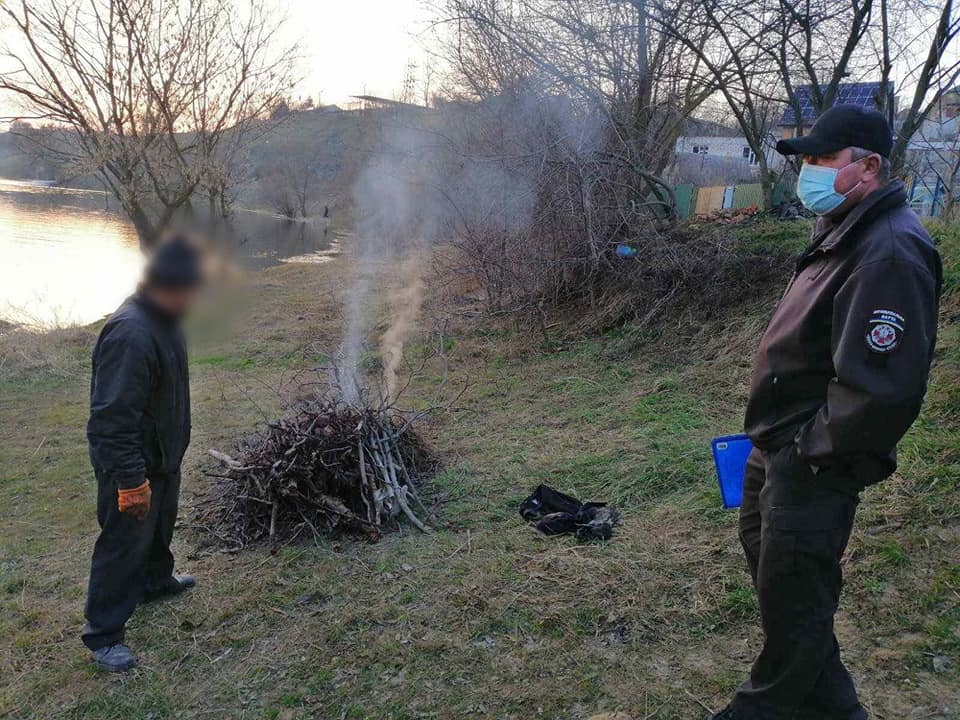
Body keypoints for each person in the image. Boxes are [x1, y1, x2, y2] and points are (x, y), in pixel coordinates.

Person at [711, 105, 942, 720]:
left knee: (794, 598)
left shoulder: (889, 251)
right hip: (777, 448)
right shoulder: (843, 226)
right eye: (805, 160)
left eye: (821, 159)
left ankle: (757, 710)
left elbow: (880, 392)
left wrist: (810, 454)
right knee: (783, 586)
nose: (808, 172)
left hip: (812, 463)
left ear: (868, 166)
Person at [82, 236, 203, 672]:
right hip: (132, 466)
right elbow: (111, 420)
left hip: (163, 456)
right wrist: (131, 481)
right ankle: (104, 634)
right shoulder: (131, 333)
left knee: (160, 525)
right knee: (122, 544)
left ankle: (155, 580)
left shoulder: (166, 321)